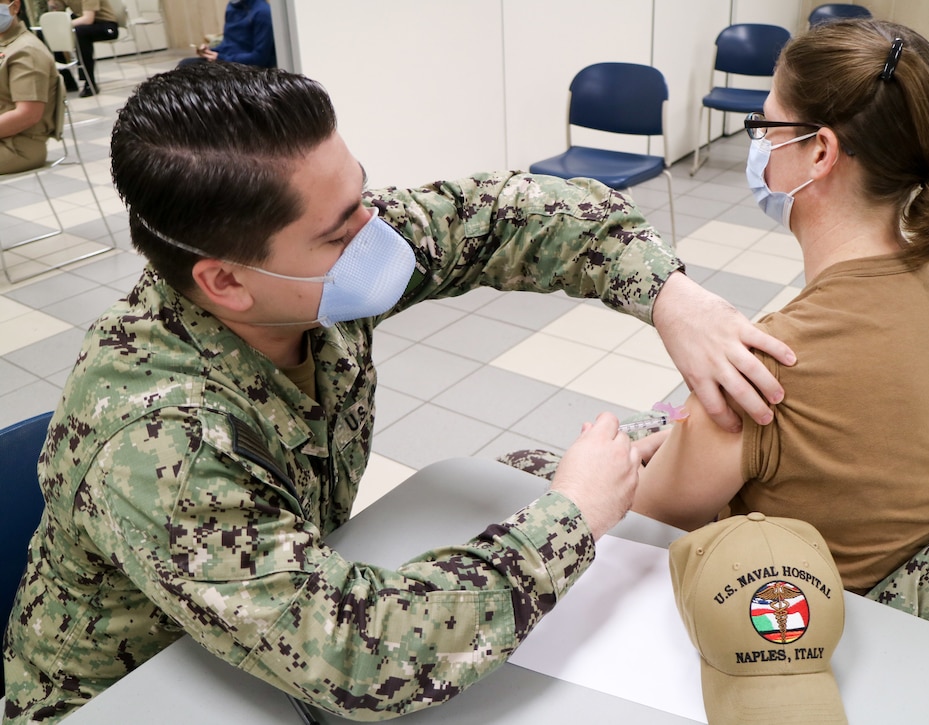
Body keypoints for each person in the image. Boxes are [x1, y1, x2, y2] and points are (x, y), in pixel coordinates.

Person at [2, 62, 794, 722]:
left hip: (253, 640)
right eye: (339, 230)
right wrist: (573, 516)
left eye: (363, 197)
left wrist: (669, 295)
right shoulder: (158, 442)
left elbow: (509, 215)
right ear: (225, 281)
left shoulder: (308, 271)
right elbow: (356, 649)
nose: (376, 236)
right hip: (135, 696)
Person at [633, 19, 929, 595]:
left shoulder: (767, 366)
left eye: (766, 125)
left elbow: (636, 529)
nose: (760, 145)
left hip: (773, 629)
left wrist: (624, 463)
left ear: (821, 151)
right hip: (893, 626)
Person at [0, 0, 59, 174]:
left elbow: (27, 115)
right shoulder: (6, 44)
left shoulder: (26, 51)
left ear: (15, 7)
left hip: (17, 146)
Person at [178, 0, 276, 69]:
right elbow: (228, 44)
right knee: (184, 65)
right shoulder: (232, 7)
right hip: (228, 61)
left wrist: (222, 59)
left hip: (248, 68)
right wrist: (209, 52)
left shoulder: (263, 13)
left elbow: (259, 58)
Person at [46, 0, 116, 97]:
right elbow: (58, 11)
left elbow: (88, 19)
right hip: (85, 23)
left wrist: (63, 25)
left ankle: (89, 82)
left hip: (106, 25)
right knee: (49, 31)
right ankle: (68, 81)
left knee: (81, 33)